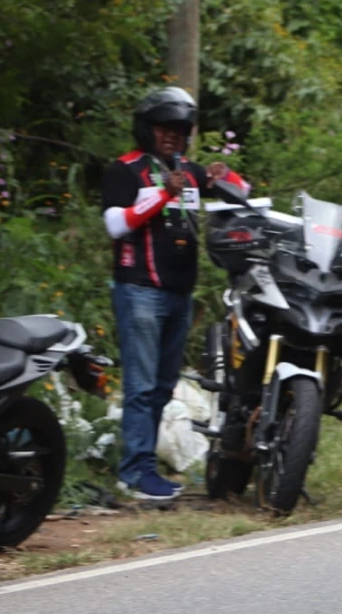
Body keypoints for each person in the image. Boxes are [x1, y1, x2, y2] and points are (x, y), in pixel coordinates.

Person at [101, 87, 250, 500]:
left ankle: (144, 468)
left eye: (180, 130)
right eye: (165, 129)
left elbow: (244, 191)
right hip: (139, 291)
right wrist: (166, 193)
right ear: (148, 129)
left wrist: (222, 175)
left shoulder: (188, 170)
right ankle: (134, 473)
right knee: (142, 385)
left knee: (165, 386)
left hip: (179, 294)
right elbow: (116, 225)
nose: (172, 136)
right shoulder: (125, 170)